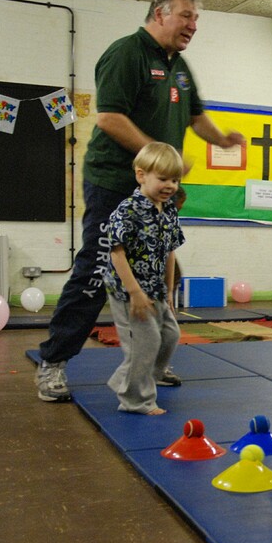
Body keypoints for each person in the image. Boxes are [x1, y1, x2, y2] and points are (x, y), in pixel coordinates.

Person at [34, 0, 245, 402]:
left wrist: (221, 140)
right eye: (186, 16)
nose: (193, 25)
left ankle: (152, 363)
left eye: (196, 18)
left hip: (157, 190)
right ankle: (53, 361)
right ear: (160, 14)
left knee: (165, 270)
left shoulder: (179, 66)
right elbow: (109, 118)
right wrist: (159, 160)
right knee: (96, 273)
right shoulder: (127, 53)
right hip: (114, 183)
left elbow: (196, 116)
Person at [103, 142, 185, 416]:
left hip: (156, 288)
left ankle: (126, 380)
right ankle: (136, 400)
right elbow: (117, 254)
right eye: (163, 179)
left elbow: (170, 252)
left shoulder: (169, 210)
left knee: (170, 335)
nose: (170, 185)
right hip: (128, 290)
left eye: (175, 180)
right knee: (146, 342)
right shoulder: (128, 210)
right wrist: (135, 293)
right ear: (141, 175)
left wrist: (169, 291)